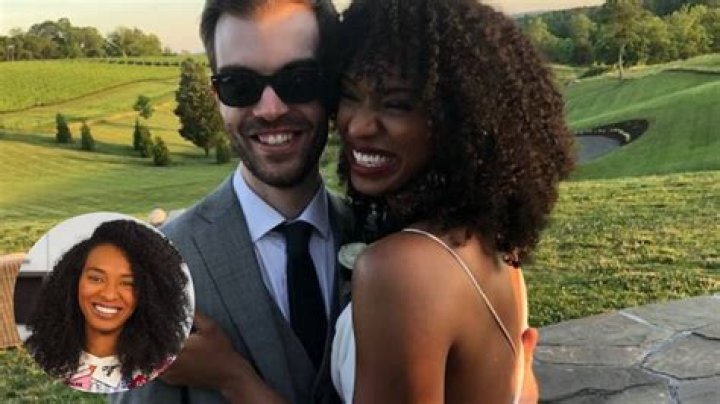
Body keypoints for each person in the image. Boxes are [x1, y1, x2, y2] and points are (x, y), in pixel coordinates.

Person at [327, 0, 574, 402]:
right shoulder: (491, 243)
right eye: (349, 95)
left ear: (462, 119)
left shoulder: (400, 270)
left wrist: (235, 378)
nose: (357, 126)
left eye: (396, 104)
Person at [112, 0, 350, 403]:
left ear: (331, 86)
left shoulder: (383, 237)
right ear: (216, 96)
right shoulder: (158, 270)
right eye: (240, 86)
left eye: (299, 80)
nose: (271, 109)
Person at [25, 219, 189, 393]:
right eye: (96, 278)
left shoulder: (165, 369)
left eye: (128, 283)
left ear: (151, 294)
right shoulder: (43, 354)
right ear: (73, 280)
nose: (109, 295)